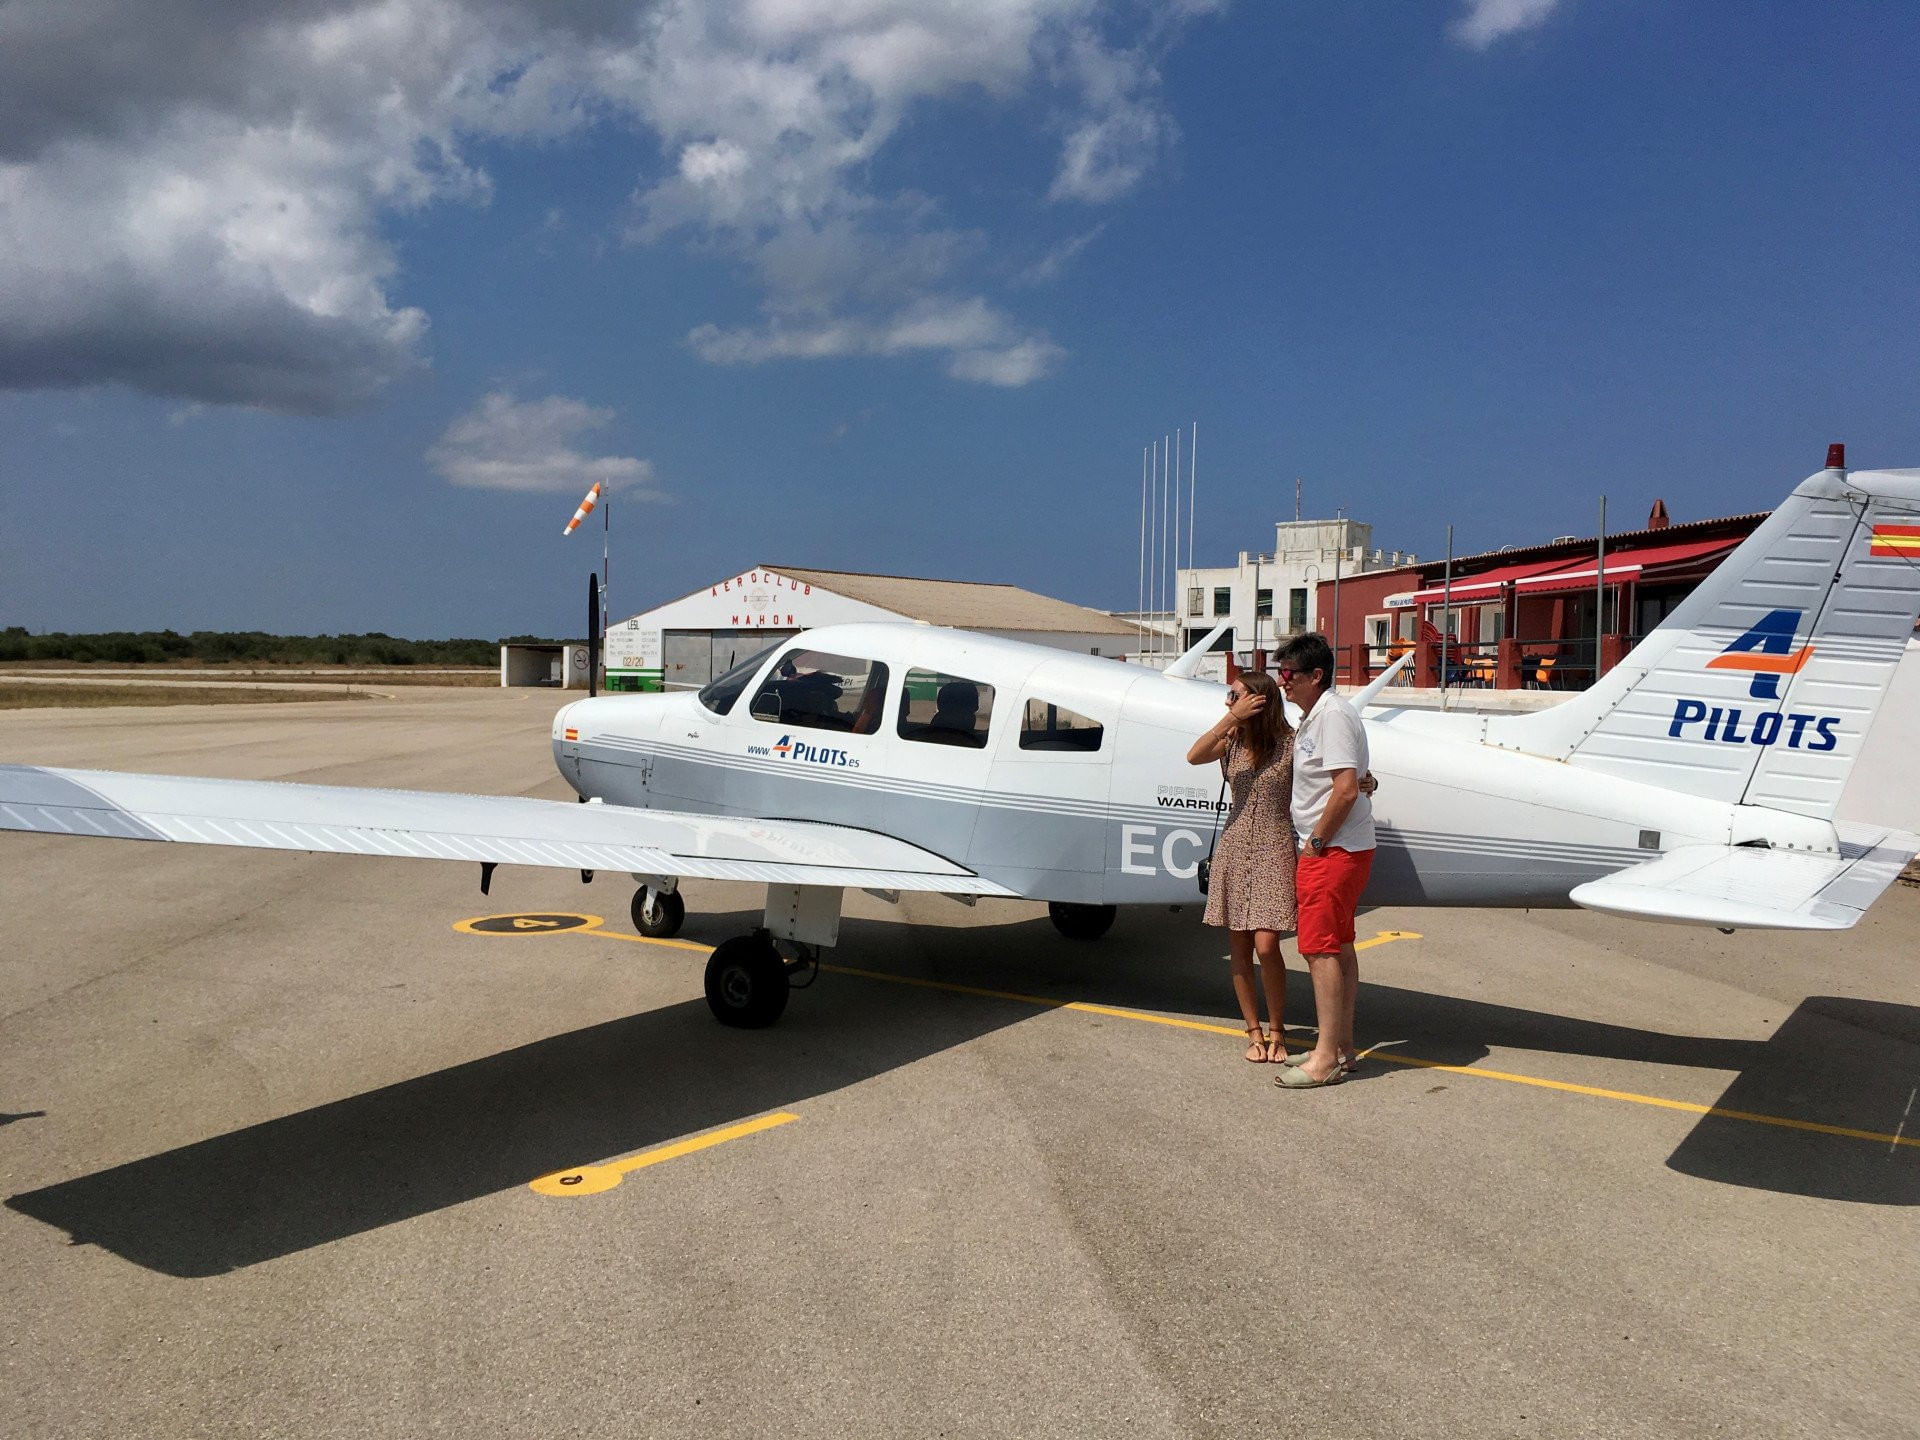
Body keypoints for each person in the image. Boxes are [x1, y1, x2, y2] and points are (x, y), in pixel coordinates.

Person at [1274, 632, 1376, 1089]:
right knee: (1340, 945)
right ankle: (1339, 1046)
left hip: (1331, 850)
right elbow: (1356, 779)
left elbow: (1346, 788)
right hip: (1344, 848)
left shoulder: (1331, 716)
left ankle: (1324, 1060)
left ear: (1316, 675)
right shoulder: (1325, 715)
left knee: (1318, 949)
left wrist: (1314, 843)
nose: (1283, 682)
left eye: (1290, 673)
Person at [1186, 669, 1296, 1063]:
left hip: (1274, 846)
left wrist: (1365, 782)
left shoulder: (1289, 744)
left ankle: (1278, 1029)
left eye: (1236, 697)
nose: (1228, 702)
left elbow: (1324, 775)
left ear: (1260, 701)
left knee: (1267, 946)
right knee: (1239, 949)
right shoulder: (1231, 741)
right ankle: (1253, 1030)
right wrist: (1231, 719)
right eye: (1230, 697)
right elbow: (1194, 755)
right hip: (1234, 848)